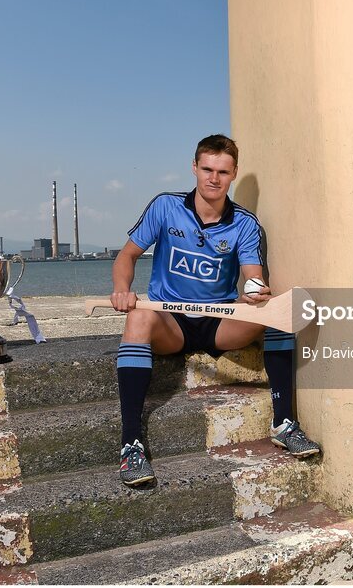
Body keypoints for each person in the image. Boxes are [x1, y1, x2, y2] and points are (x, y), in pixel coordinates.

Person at [110, 134, 321, 486]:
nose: (213, 178)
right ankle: (131, 445)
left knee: (278, 314)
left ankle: (283, 424)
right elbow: (126, 256)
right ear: (194, 168)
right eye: (207, 169)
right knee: (137, 315)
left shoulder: (245, 224)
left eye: (222, 171)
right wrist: (122, 290)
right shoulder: (165, 206)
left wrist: (256, 291)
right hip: (170, 321)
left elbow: (253, 277)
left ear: (233, 173)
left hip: (219, 321)